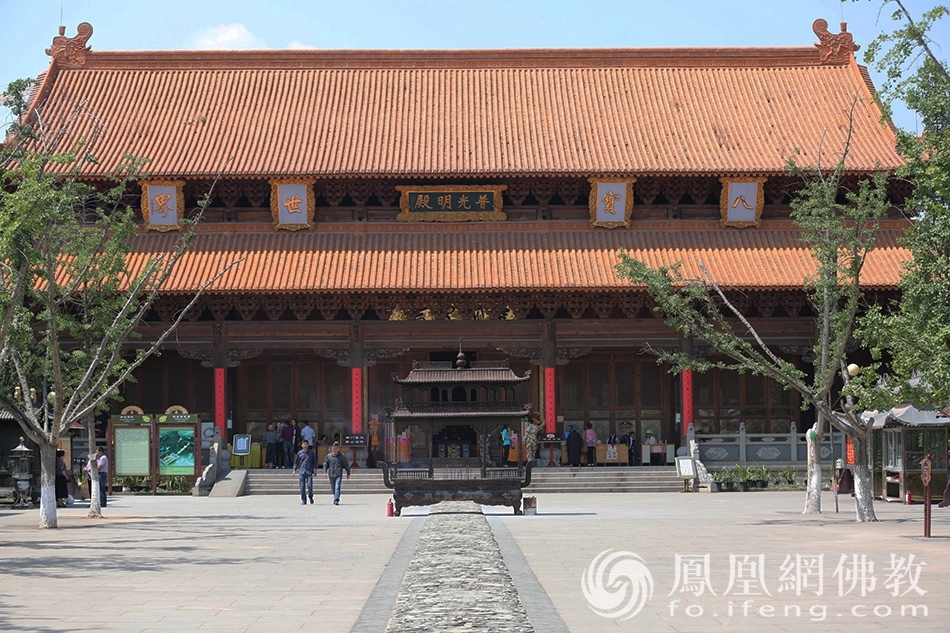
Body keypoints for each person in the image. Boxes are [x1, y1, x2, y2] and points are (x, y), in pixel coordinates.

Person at [292, 439, 317, 505]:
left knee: (309, 485)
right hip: (302, 472)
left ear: (308, 445)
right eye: (304, 444)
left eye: (306, 444)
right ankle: (303, 499)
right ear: (302, 445)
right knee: (302, 486)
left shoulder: (311, 453)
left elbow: (314, 461)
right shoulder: (300, 453)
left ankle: (310, 496)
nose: (305, 445)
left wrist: (315, 470)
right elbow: (296, 462)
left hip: (309, 472)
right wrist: (294, 470)